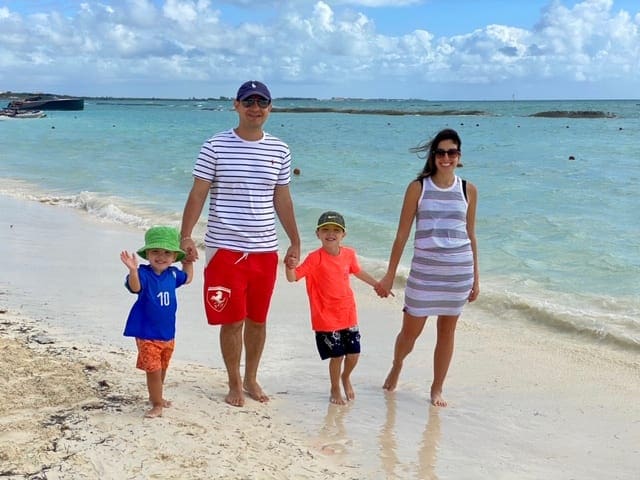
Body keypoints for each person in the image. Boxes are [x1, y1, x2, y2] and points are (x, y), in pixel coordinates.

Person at [180, 80, 300, 407]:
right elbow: (198, 193)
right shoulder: (215, 146)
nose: (255, 107)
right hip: (225, 248)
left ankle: (251, 378)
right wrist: (186, 235)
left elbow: (283, 198)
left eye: (262, 102)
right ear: (236, 105)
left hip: (264, 249)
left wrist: (295, 241)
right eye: (249, 101)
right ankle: (233, 381)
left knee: (258, 320)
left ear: (270, 108)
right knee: (232, 320)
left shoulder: (280, 150)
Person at [376, 128, 479, 407]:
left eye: (452, 152)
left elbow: (471, 235)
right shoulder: (418, 188)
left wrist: (476, 279)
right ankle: (397, 364)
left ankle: (436, 389)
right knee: (410, 333)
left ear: (459, 156)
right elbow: (401, 234)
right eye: (441, 152)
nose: (447, 158)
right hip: (424, 274)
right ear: (434, 156)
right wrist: (389, 275)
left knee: (447, 332)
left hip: (458, 273)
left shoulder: (468, 189)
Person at [285, 211, 380, 405]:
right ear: (317, 234)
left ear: (343, 234)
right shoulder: (314, 258)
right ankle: (335, 387)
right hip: (325, 316)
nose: (331, 233)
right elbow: (293, 277)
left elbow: (358, 271)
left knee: (354, 354)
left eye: (336, 230)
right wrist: (290, 265)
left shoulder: (349, 254)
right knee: (336, 356)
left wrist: (377, 285)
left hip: (347, 312)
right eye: (325, 230)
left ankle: (345, 377)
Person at [120, 226, 194, 418]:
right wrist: (133, 271)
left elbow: (187, 279)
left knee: (162, 368)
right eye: (155, 252)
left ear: (173, 257)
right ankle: (157, 404)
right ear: (148, 254)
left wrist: (188, 261)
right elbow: (135, 288)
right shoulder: (143, 273)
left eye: (167, 253)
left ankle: (157, 396)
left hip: (168, 334)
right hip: (147, 333)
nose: (161, 257)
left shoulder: (172, 274)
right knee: (153, 371)